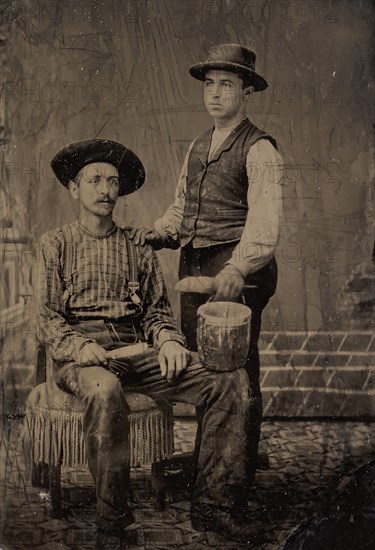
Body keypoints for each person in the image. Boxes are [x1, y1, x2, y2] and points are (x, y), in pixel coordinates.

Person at [34, 138, 262, 543]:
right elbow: (46, 317)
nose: (105, 190)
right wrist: (79, 347)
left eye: (112, 182)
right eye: (94, 181)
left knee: (230, 380)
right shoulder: (56, 244)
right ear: (74, 188)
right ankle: (113, 524)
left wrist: (171, 341)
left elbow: (156, 310)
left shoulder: (136, 248)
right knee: (104, 391)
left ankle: (215, 507)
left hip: (137, 353)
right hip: (83, 358)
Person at [131, 43, 284, 486]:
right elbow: (183, 209)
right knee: (203, 366)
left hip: (237, 268)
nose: (215, 94)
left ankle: (236, 467)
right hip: (195, 263)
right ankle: (209, 461)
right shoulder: (199, 145)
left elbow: (265, 223)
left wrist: (238, 269)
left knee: (235, 367)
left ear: (246, 92)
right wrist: (159, 233)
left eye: (227, 85)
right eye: (210, 85)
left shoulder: (259, 149)